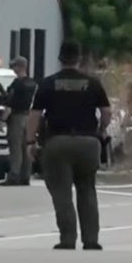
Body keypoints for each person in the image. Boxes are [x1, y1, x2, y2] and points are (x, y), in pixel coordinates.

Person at [26, 40, 111, 250]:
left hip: (58, 143)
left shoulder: (47, 84)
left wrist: (30, 142)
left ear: (60, 59)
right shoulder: (93, 83)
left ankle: (67, 238)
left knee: (62, 193)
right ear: (79, 58)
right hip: (88, 143)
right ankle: (91, 239)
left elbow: (34, 116)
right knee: (87, 190)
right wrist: (100, 130)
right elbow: (107, 113)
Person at [0, 56, 38, 186]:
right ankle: (25, 176)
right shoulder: (33, 83)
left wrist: (2, 119)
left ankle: (14, 175)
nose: (13, 69)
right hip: (30, 116)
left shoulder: (18, 83)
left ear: (20, 67)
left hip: (17, 117)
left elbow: (10, 103)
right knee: (26, 146)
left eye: (15, 66)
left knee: (15, 148)